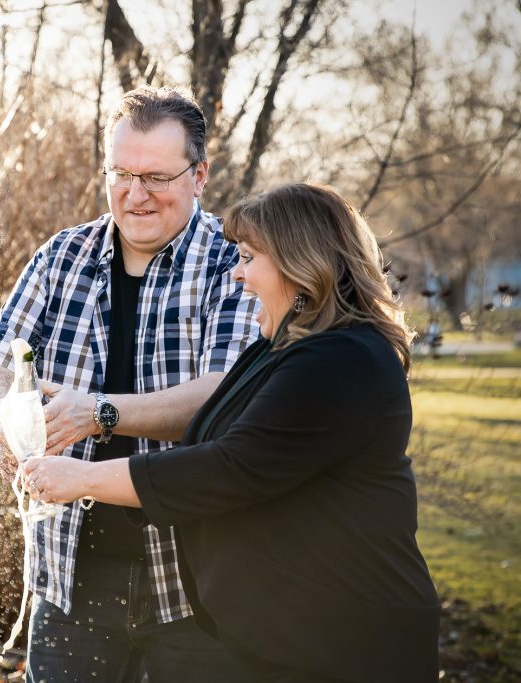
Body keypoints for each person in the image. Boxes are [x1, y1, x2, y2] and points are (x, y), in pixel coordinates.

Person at [22, 183, 441, 683]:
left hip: (349, 642)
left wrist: (83, 478)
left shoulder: (343, 360)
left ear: (299, 263)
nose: (237, 274)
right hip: (295, 634)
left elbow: (227, 468)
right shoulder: (278, 349)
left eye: (248, 258)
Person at [0, 86, 259, 682]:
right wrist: (2, 419)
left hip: (195, 581)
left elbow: (226, 395)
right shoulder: (61, 257)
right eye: (121, 173)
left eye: (156, 177)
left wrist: (100, 413)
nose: (135, 193)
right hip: (69, 577)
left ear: (199, 176)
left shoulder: (236, 262)